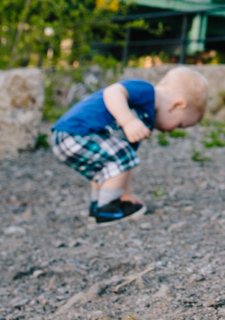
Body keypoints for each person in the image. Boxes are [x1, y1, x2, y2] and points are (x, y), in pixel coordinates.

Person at [50, 66, 209, 224]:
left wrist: (127, 194)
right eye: (180, 124)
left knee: (108, 167)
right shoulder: (146, 91)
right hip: (76, 133)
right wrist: (128, 121)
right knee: (121, 156)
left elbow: (124, 168)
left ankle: (97, 206)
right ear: (177, 105)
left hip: (67, 136)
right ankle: (107, 209)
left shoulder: (144, 118)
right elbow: (112, 92)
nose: (173, 130)